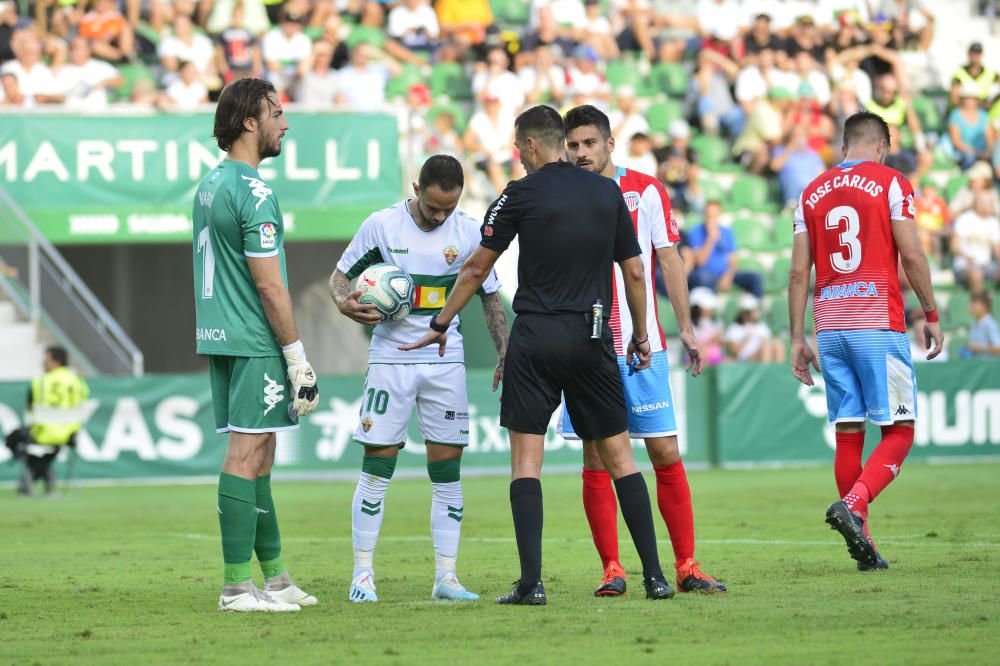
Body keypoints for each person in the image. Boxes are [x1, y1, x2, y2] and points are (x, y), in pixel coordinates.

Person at [402, 105, 674, 604]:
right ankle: (656, 576)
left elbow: (474, 270)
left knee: (527, 462)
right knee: (620, 457)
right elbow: (636, 273)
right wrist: (638, 335)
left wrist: (440, 321)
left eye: (517, 147)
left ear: (530, 146)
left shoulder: (517, 194)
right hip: (592, 336)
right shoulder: (607, 192)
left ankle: (531, 584)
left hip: (535, 336)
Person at [559, 104, 726, 597]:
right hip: (587, 348)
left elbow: (668, 261)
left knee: (664, 450)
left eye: (590, 143)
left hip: (642, 344)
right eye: (573, 145)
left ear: (611, 144)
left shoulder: (645, 190)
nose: (582, 152)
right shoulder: (562, 194)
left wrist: (687, 329)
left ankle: (687, 565)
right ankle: (612, 569)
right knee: (596, 458)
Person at [329, 155, 508, 603]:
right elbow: (339, 276)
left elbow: (489, 298)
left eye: (449, 207)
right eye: (432, 208)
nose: (441, 217)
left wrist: (504, 352)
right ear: (415, 188)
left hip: (447, 360)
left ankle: (446, 577)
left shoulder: (469, 231)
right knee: (377, 467)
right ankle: (362, 575)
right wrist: (342, 302)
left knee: (447, 471)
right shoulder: (382, 226)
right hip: (390, 357)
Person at [788, 111, 944, 571]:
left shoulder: (810, 192)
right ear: (883, 145)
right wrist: (931, 312)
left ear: (843, 147)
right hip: (876, 321)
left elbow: (800, 272)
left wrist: (798, 337)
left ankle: (866, 548)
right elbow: (911, 252)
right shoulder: (892, 182)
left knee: (849, 432)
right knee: (900, 431)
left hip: (830, 326)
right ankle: (854, 505)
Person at [192, 77, 320, 613]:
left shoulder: (210, 183)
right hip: (254, 338)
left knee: (261, 454)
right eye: (277, 113)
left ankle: (274, 578)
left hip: (222, 333)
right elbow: (269, 283)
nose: (284, 124)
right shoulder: (254, 191)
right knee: (247, 454)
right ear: (251, 121)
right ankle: (235, 587)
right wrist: (297, 358)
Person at [18, 347, 89, 497]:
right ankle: (43, 471)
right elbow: (83, 400)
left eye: (46, 360)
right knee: (51, 448)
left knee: (14, 439)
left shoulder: (39, 381)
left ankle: (39, 472)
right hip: (70, 435)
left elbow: (30, 407)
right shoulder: (77, 381)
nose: (42, 363)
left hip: (42, 434)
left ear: (57, 361)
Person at [686, 200, 765, 298]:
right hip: (705, 273)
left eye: (713, 216)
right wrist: (710, 239)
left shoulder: (727, 232)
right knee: (702, 278)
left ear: (719, 215)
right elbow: (699, 262)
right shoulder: (695, 231)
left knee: (755, 278)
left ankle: (752, 310)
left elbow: (733, 260)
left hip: (725, 273)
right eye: (708, 215)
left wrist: (728, 276)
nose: (710, 219)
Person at [950, 190, 1000, 295]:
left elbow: (997, 249)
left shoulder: (993, 222)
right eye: (990, 203)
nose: (992, 206)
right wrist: (966, 256)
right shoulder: (965, 219)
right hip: (964, 266)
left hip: (986, 265)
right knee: (976, 274)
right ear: (979, 204)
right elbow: (954, 246)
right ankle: (979, 307)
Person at [724, 293, 785, 363]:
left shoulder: (762, 326)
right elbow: (736, 352)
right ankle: (764, 372)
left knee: (778, 344)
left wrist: (764, 341)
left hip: (760, 353)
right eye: (754, 310)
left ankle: (778, 372)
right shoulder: (735, 328)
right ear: (747, 313)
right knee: (766, 346)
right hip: (745, 359)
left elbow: (768, 341)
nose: (757, 312)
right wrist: (746, 338)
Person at [964, 292, 1000, 357]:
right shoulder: (973, 323)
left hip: (989, 365)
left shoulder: (990, 324)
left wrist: (981, 348)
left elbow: (998, 349)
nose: (971, 306)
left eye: (975, 304)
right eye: (971, 303)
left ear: (984, 306)